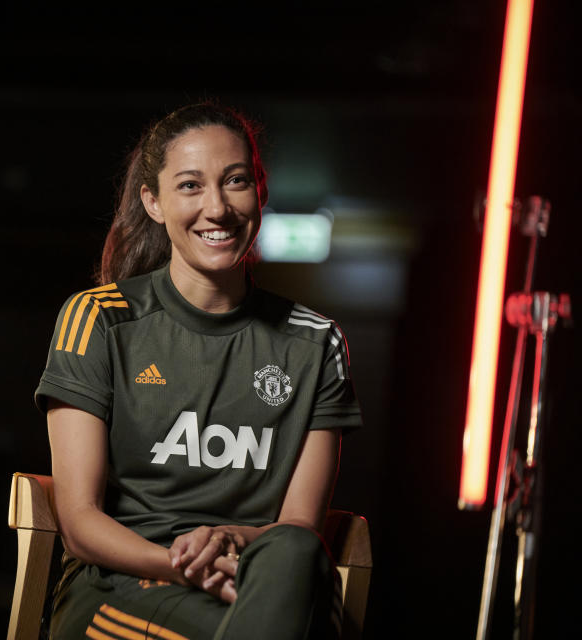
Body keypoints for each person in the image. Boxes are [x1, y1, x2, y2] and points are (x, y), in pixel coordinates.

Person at [34, 101, 362, 640]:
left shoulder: (315, 343)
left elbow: (299, 526)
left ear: (259, 189)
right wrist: (183, 564)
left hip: (258, 582)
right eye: (190, 186)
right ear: (154, 202)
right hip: (126, 584)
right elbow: (79, 524)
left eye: (235, 181)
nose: (217, 208)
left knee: (297, 550)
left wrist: (230, 538)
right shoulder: (99, 319)